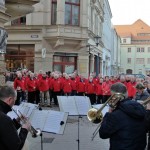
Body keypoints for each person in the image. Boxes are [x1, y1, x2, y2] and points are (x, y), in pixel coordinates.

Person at [99, 82, 147, 150]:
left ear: (114, 96)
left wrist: (109, 113)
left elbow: (103, 134)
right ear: (126, 92)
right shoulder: (140, 108)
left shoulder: (114, 115)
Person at [0, 86, 31, 150]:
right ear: (10, 100)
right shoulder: (5, 119)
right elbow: (17, 147)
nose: (14, 103)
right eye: (14, 100)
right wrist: (24, 129)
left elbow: (4, 130)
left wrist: (16, 122)